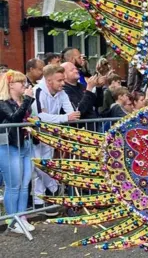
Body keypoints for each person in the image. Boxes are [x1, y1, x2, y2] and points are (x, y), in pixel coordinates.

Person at [31, 64, 80, 215]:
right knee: (38, 166)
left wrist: (54, 119)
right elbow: (40, 116)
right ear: (48, 80)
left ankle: (41, 201)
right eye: (59, 80)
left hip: (50, 135)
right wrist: (63, 118)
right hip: (36, 135)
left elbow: (73, 115)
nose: (63, 83)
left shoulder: (62, 93)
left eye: (63, 80)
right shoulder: (37, 91)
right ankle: (52, 189)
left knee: (45, 165)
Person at [0, 70, 35, 233]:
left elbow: (27, 117)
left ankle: (22, 217)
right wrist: (28, 99)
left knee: (24, 183)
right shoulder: (3, 102)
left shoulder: (23, 100)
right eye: (21, 82)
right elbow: (14, 118)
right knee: (13, 185)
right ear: (11, 84)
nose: (24, 85)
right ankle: (12, 220)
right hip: (9, 146)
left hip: (26, 144)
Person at [62, 62, 104, 130]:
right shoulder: (64, 90)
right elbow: (79, 111)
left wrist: (99, 88)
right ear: (64, 75)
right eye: (72, 70)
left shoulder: (82, 86)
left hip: (94, 126)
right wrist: (89, 89)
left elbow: (98, 103)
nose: (76, 71)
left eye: (76, 69)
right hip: (81, 131)